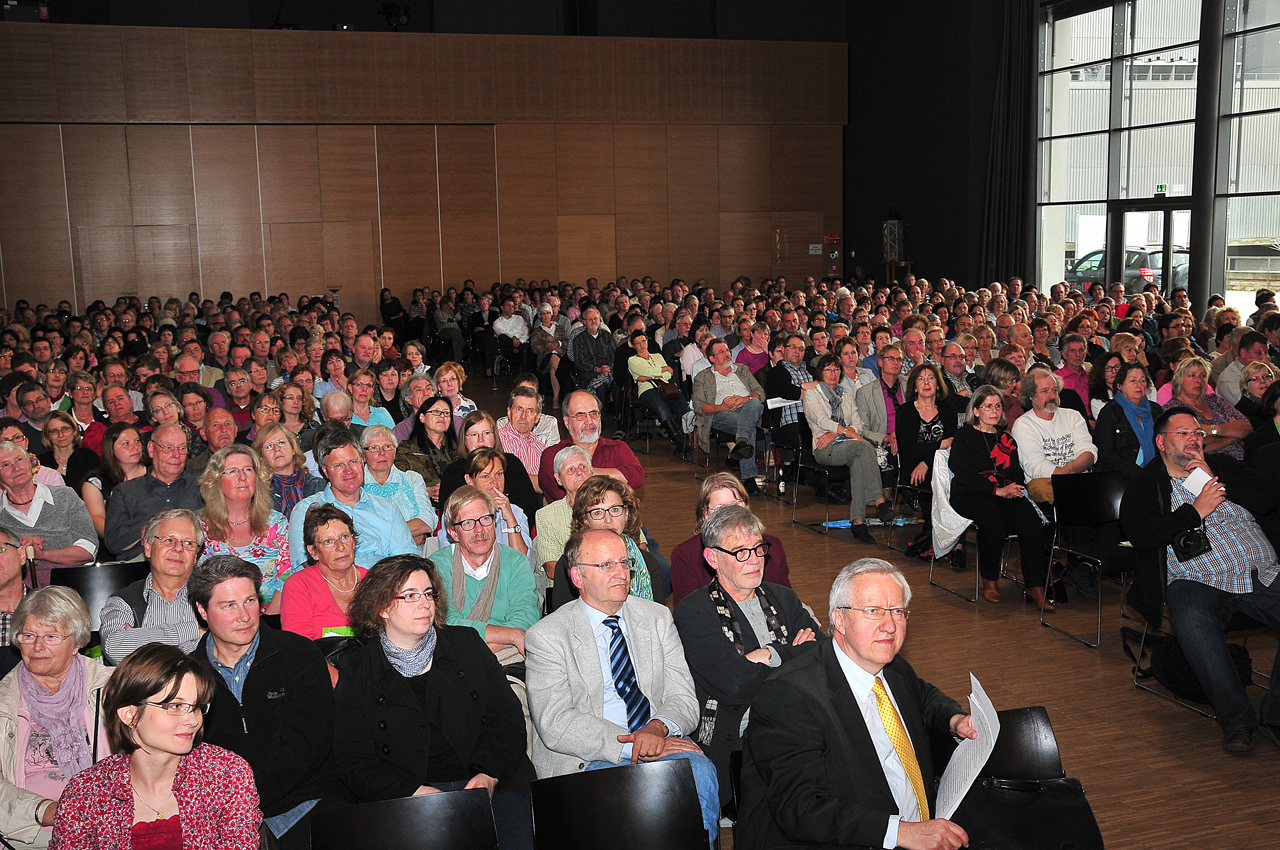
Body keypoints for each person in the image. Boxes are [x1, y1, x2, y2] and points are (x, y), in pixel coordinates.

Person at [737, 559, 977, 850]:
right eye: (873, 611)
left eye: (898, 611)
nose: (890, 626)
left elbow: (923, 696)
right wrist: (901, 833)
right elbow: (801, 809)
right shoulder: (788, 697)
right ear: (839, 620)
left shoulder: (893, 669)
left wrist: (954, 719)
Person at [524, 528, 720, 841]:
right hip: (586, 760)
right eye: (606, 565)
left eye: (624, 563)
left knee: (699, 772)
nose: (621, 573)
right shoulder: (547, 636)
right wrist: (634, 744)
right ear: (578, 577)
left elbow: (683, 697)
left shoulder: (657, 618)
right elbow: (556, 723)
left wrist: (656, 730)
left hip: (659, 743)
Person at [332, 555, 535, 850]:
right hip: (407, 794)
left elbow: (508, 720)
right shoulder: (357, 669)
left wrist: (488, 774)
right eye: (411, 596)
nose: (425, 603)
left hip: (490, 780)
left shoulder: (466, 644)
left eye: (428, 594)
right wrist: (412, 792)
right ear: (382, 607)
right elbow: (353, 760)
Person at [1121, 408, 1280, 753]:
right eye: (1184, 433)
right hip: (1197, 579)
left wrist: (1214, 478)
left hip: (1261, 570)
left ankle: (1276, 715)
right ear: (1162, 442)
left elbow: (1268, 498)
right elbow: (1140, 535)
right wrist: (1194, 511)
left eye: (1197, 432)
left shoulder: (1223, 467)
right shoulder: (1146, 484)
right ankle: (1237, 720)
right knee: (1191, 622)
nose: (1194, 438)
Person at [189, 556, 351, 849]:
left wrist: (246, 799)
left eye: (250, 600)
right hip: (222, 816)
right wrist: (233, 809)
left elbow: (307, 746)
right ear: (202, 610)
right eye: (229, 605)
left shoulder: (298, 654)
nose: (244, 615)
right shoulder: (188, 676)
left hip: (305, 803)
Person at [672, 506, 819, 809]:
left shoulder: (784, 598)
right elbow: (736, 685)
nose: (754, 560)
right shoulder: (694, 611)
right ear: (712, 558)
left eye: (758, 549)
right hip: (738, 731)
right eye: (740, 552)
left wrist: (770, 654)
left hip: (799, 718)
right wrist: (794, 654)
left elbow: (823, 655)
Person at [50, 643, 262, 849]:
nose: (193, 721)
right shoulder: (86, 793)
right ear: (129, 714)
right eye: (176, 706)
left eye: (196, 707)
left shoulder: (226, 774)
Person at [0, 587, 112, 850]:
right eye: (28, 635)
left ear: (76, 642)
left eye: (51, 636)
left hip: (108, 819)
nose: (37, 646)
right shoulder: (4, 702)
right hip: (30, 830)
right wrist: (44, 810)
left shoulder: (113, 688)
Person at [949, 387, 1053, 608]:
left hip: (1002, 492)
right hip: (969, 493)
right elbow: (962, 471)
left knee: (1030, 519)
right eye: (988, 406)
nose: (994, 411)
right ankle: (990, 579)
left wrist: (1013, 487)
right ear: (976, 411)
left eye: (997, 406)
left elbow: (1015, 472)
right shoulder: (965, 435)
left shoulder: (1006, 438)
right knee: (993, 520)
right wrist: (996, 490)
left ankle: (1035, 585)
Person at [428, 486, 540, 666]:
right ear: (453, 533)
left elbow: (525, 618)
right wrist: (511, 635)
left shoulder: (516, 562)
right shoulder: (436, 566)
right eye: (468, 523)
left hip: (507, 659)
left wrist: (481, 652)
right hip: (452, 661)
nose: (479, 530)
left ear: (494, 523)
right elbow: (447, 622)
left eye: (485, 519)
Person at [286, 426, 416, 570]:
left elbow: (407, 561)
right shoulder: (306, 511)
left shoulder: (388, 508)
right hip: (333, 588)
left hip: (386, 586)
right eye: (339, 465)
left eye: (353, 462)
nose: (348, 471)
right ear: (325, 471)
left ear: (362, 462)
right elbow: (309, 566)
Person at [99, 509, 204, 665]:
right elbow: (116, 649)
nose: (178, 548)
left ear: (195, 555)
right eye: (169, 540)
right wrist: (194, 631)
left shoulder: (211, 596)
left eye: (188, 543)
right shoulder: (124, 601)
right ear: (148, 547)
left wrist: (140, 640)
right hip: (143, 689)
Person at [669, 473, 791, 606]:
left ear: (746, 506)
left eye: (736, 505)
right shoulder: (685, 555)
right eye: (720, 509)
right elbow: (687, 613)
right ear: (705, 515)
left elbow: (786, 602)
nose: (730, 514)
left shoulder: (772, 546)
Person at [197, 445, 293, 613]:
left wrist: (265, 622)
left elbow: (287, 578)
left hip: (272, 618)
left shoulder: (276, 523)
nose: (242, 477)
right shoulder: (199, 527)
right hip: (217, 620)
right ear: (216, 480)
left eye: (248, 470)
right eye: (232, 471)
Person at [804, 354, 888, 543]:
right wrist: (844, 432)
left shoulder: (847, 396)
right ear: (820, 372)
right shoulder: (812, 394)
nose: (833, 373)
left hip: (847, 444)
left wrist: (837, 433)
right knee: (864, 446)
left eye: (836, 369)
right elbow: (822, 421)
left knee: (860, 458)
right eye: (828, 369)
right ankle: (879, 500)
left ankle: (858, 522)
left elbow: (858, 424)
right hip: (824, 448)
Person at [548, 476, 659, 612]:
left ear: (626, 515)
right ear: (585, 520)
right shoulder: (569, 565)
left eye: (615, 510)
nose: (608, 520)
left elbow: (658, 618)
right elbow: (564, 621)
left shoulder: (648, 562)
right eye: (598, 512)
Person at [0, 441, 96, 588]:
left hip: (72, 588)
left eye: (20, 460)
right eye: (6, 464)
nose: (16, 468)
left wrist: (41, 554)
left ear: (31, 463)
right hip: (20, 596)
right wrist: (19, 549)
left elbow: (88, 551)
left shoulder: (65, 496)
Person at [103, 423, 203, 562]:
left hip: (191, 563)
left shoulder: (202, 487)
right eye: (168, 448)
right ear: (151, 449)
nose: (176, 455)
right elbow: (113, 543)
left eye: (182, 448)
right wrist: (153, 526)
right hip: (140, 566)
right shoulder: (126, 491)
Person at [279, 504, 366, 640]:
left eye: (344, 537)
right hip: (318, 660)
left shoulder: (373, 581)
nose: (340, 547)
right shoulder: (299, 586)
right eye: (328, 541)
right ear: (313, 552)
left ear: (353, 542)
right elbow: (300, 646)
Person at [895, 362, 957, 551]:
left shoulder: (948, 411)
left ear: (938, 384)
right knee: (934, 482)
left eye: (931, 377)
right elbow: (910, 449)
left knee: (953, 481)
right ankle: (941, 538)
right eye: (921, 379)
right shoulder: (905, 412)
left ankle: (951, 541)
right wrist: (939, 444)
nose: (926, 382)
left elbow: (952, 446)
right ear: (914, 386)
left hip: (942, 465)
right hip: (912, 468)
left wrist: (927, 462)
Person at [537, 390, 645, 501]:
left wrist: (587, 472)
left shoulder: (618, 448)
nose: (589, 421)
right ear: (567, 422)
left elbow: (637, 478)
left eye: (593, 414)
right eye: (580, 415)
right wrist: (615, 475)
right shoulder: (552, 455)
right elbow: (566, 498)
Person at [438, 410, 541, 526]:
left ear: (494, 436)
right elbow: (448, 517)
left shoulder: (511, 463)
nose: (481, 439)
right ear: (464, 440)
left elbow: (531, 509)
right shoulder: (453, 472)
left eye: (486, 433)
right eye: (473, 435)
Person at [1009, 368, 1097, 503]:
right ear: (1031, 396)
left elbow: (1088, 452)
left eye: (1055, 390)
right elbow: (1036, 466)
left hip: (1078, 476)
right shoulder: (1023, 425)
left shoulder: (1073, 416)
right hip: (1046, 482)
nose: (1052, 396)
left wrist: (1070, 470)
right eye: (1045, 391)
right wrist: (1066, 477)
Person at [692, 339, 767, 494]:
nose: (727, 354)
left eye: (727, 351)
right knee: (749, 427)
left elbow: (760, 393)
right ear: (711, 358)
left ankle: (742, 449)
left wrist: (745, 399)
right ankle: (748, 474)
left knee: (754, 403)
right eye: (722, 352)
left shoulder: (742, 370)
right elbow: (699, 407)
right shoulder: (703, 377)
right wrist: (722, 406)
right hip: (722, 414)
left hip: (748, 409)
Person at [1168, 356, 1251, 461]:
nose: (1199, 380)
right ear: (1180, 379)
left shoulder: (1214, 400)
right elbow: (1201, 446)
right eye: (1192, 375)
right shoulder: (1174, 409)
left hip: (1240, 459)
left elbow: (1246, 426)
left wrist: (1212, 429)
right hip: (1205, 464)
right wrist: (1233, 436)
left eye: (1203, 376)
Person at [1095, 361, 1163, 478]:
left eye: (1142, 380)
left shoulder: (1156, 410)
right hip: (1119, 477)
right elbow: (1107, 454)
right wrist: (1139, 474)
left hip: (1154, 473)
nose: (1139, 385)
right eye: (1133, 380)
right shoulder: (1110, 412)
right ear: (1119, 385)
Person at [628, 329, 690, 454]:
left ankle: (687, 439)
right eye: (638, 343)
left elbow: (668, 375)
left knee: (681, 403)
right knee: (662, 406)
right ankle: (681, 442)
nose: (642, 345)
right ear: (633, 345)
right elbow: (660, 371)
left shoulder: (658, 356)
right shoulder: (632, 360)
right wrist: (662, 370)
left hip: (665, 388)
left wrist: (648, 376)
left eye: (643, 341)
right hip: (646, 390)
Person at [253, 423, 324, 518]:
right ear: (262, 458)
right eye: (269, 446)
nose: (277, 449)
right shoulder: (259, 493)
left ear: (293, 449)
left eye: (281, 443)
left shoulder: (319, 485)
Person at [397, 396, 456, 504]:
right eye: (436, 411)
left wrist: (451, 491)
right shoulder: (406, 450)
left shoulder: (459, 450)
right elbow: (398, 482)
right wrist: (425, 491)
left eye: (446, 413)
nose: (442, 416)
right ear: (422, 417)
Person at [497, 386, 553, 486]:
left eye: (530, 411)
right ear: (509, 412)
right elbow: (513, 479)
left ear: (537, 417)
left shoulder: (540, 448)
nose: (523, 416)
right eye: (519, 409)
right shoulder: (499, 441)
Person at [37, 411, 96, 495]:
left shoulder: (89, 458)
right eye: (54, 431)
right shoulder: (40, 463)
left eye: (65, 429)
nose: (61, 435)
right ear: (48, 436)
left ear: (74, 430)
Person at [433, 361, 477, 434]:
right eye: (444, 381)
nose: (449, 384)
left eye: (453, 379)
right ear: (438, 386)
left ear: (458, 382)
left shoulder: (470, 406)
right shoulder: (432, 407)